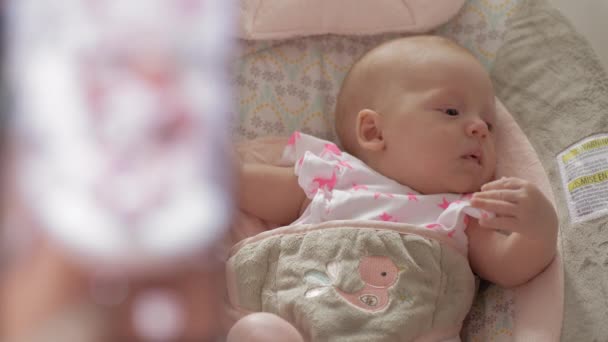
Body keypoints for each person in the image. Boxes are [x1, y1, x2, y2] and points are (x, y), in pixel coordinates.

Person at [231, 35, 558, 341]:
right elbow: (239, 185)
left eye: (488, 125)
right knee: (257, 330)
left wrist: (539, 229)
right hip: (303, 327)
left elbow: (510, 267)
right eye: (451, 111)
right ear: (373, 131)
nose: (479, 129)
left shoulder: (461, 212)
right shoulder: (333, 176)